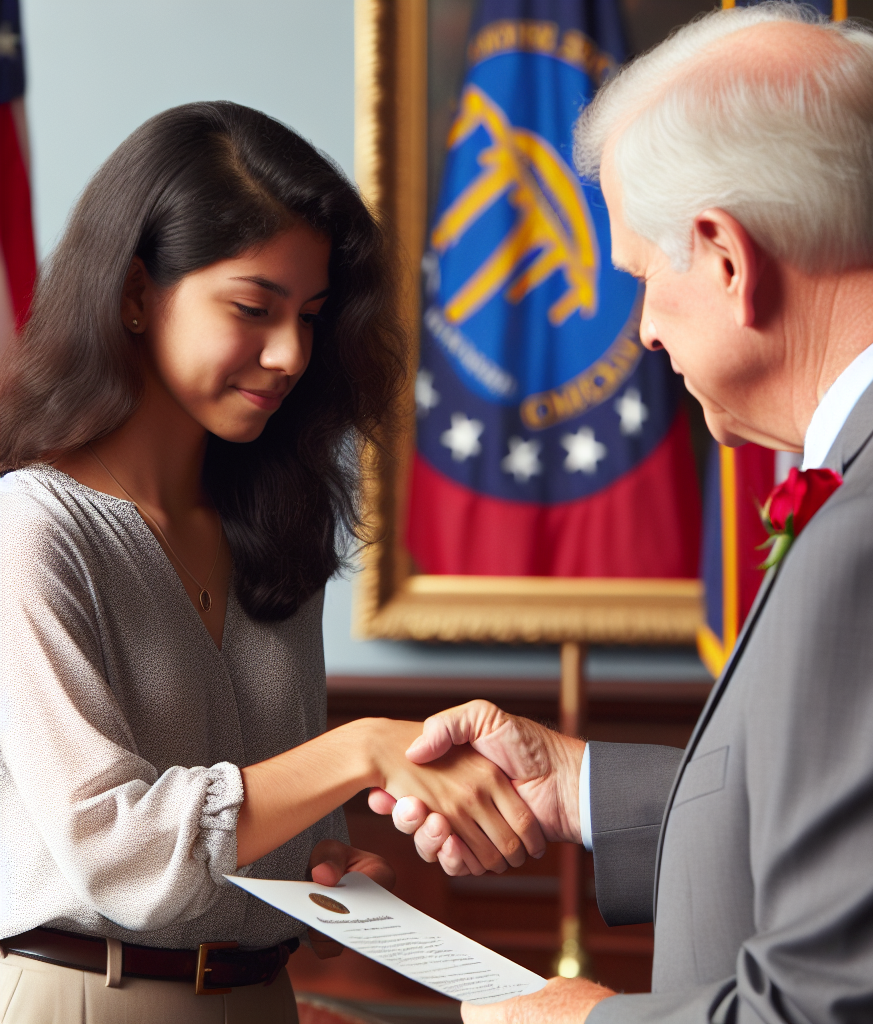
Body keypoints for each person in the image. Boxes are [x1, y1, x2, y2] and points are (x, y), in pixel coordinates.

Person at [371, 6, 873, 1023]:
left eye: (640, 275)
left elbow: (830, 1008)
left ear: (724, 257)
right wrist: (578, 788)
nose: (640, 327)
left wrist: (578, 1021)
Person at [0, 101, 543, 1024]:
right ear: (136, 294)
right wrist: (362, 747)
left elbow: (272, 817)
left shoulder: (271, 527)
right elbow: (115, 848)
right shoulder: (31, 528)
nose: (291, 353)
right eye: (254, 308)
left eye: (312, 317)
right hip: (85, 1000)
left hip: (264, 1001)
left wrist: (333, 878)